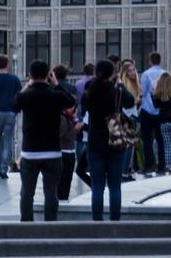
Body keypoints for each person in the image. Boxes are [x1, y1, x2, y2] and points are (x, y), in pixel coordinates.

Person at [14, 60, 71, 222]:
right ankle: (50, 225)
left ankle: (26, 224)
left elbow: (14, 103)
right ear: (48, 75)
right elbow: (70, 101)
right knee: (51, 192)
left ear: (30, 75)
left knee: (27, 192)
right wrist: (56, 84)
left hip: (30, 152)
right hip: (52, 151)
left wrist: (27, 85)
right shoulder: (55, 95)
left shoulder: (25, 96)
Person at [81, 59, 126, 223]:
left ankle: (97, 220)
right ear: (112, 73)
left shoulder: (90, 89)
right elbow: (130, 101)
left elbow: (83, 107)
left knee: (97, 185)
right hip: (115, 140)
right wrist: (119, 84)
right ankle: (115, 219)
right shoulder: (117, 91)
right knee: (115, 186)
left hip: (95, 142)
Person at [0, 54, 22, 178]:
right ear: (8, 64)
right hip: (10, 113)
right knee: (7, 141)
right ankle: (3, 169)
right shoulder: (14, 79)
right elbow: (19, 96)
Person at [52, 67, 78, 201]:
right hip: (65, 151)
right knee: (65, 180)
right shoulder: (64, 118)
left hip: (63, 151)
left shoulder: (62, 116)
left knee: (61, 181)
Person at [138, 51, 166, 177]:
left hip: (148, 109)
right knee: (160, 139)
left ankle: (149, 165)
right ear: (160, 60)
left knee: (147, 139)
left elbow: (143, 92)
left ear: (150, 61)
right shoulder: (165, 74)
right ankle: (162, 166)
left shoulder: (146, 74)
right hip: (161, 110)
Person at [116, 61, 141, 180]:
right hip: (128, 115)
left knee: (128, 146)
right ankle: (124, 172)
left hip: (132, 115)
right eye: (129, 71)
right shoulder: (124, 85)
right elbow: (128, 102)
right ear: (125, 73)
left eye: (133, 70)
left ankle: (124, 170)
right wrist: (135, 101)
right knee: (128, 145)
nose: (132, 73)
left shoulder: (134, 83)